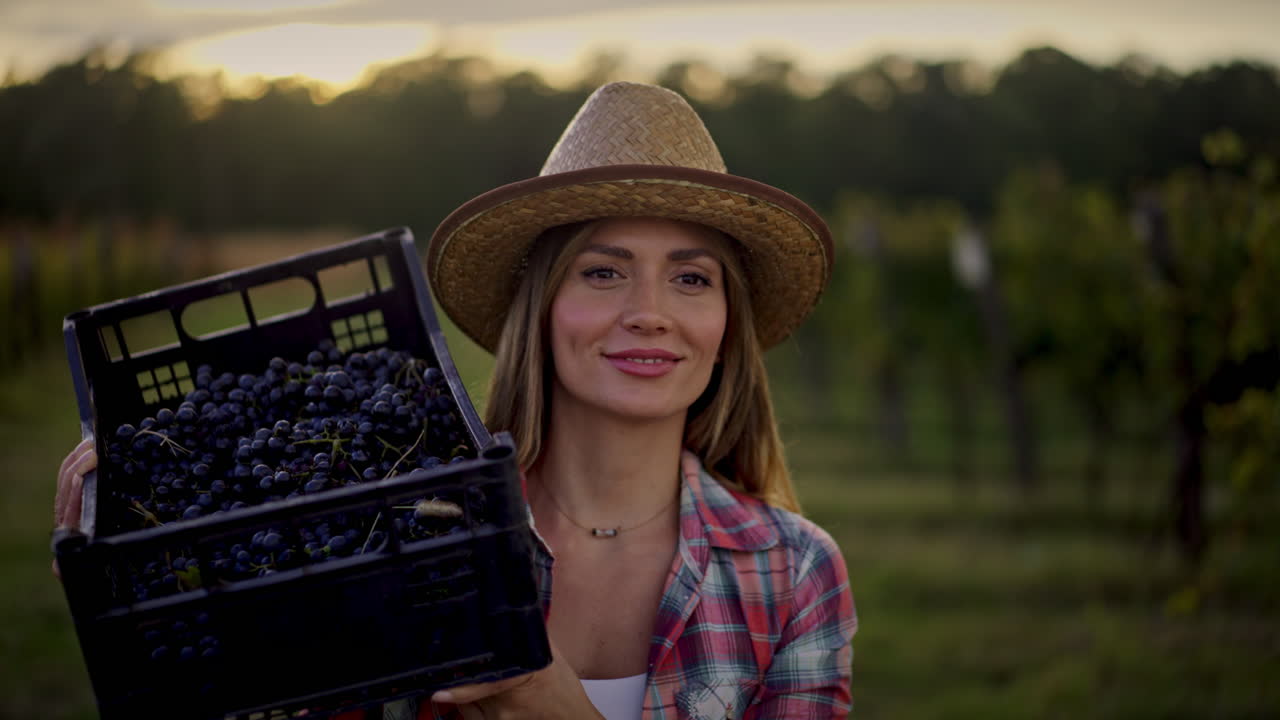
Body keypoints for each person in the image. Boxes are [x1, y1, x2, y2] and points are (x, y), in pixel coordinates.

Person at [55, 81, 857, 719]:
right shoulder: (407, 528)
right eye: (603, 271)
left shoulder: (792, 574)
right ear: (540, 309)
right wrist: (149, 595)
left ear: (724, 323)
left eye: (691, 278)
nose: (649, 310)